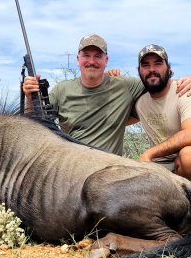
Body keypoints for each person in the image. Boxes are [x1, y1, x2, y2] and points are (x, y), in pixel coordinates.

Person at [23, 34, 191, 155]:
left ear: (106, 60)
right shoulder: (62, 90)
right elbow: (36, 125)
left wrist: (187, 80)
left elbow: (156, 80)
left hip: (110, 169)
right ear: (78, 59)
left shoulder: (125, 85)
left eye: (97, 56)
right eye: (86, 55)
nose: (92, 61)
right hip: (72, 165)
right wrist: (30, 97)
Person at [135, 44, 191, 179]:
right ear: (139, 70)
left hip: (180, 165)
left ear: (168, 67)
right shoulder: (140, 103)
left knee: (188, 156)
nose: (152, 69)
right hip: (155, 166)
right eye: (146, 65)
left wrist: (150, 153)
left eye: (158, 63)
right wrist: (110, 77)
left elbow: (189, 133)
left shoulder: (184, 91)